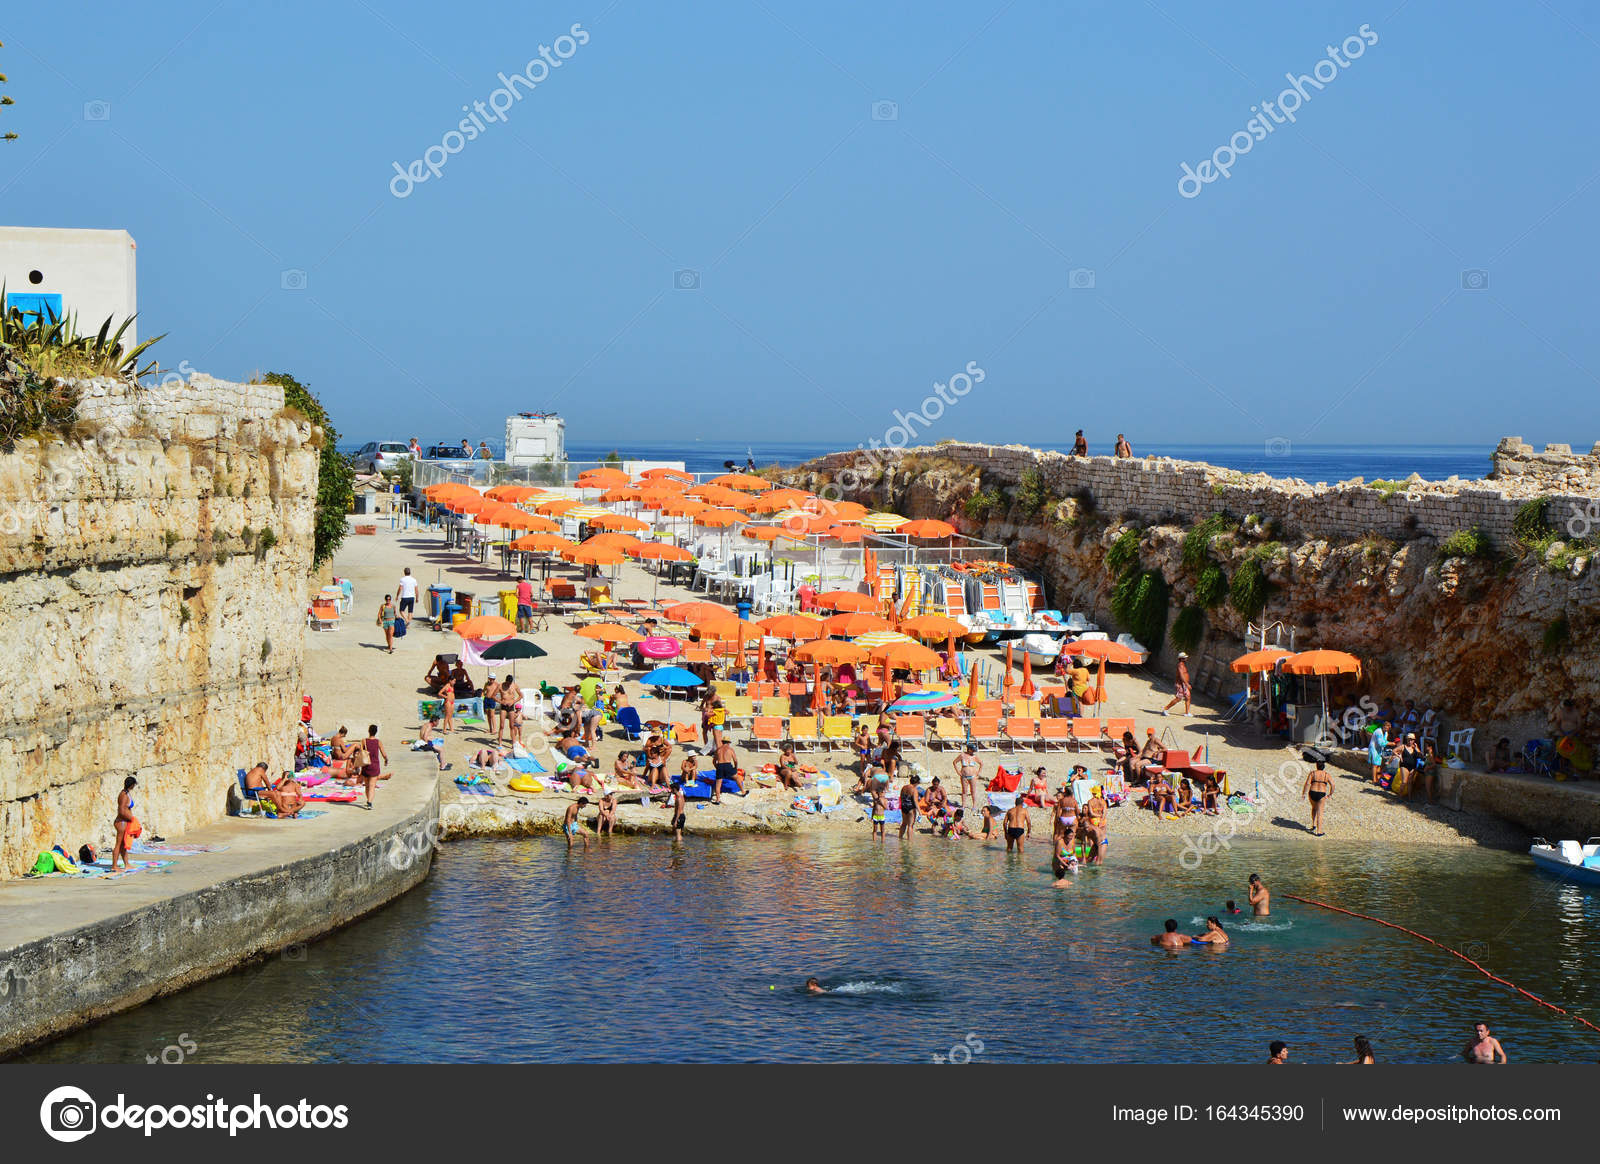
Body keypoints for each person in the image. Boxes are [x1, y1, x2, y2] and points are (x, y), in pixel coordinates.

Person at [112, 776, 139, 870]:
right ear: (131, 785)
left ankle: (126, 864)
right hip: (121, 822)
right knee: (118, 844)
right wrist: (131, 819)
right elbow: (122, 811)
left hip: (124, 821)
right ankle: (114, 866)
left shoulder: (126, 793)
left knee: (123, 845)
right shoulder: (123, 795)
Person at [1302, 759, 1334, 836]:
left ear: (1316, 766)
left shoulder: (1312, 773)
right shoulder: (1327, 774)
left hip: (1312, 792)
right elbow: (1333, 785)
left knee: (1314, 808)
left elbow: (1307, 784)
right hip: (1321, 793)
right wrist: (1330, 794)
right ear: (1324, 767)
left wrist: (1303, 793)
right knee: (1320, 812)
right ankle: (1319, 831)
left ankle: (1313, 825)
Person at [360, 725, 387, 809]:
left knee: (367, 786)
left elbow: (361, 753)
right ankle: (370, 802)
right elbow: (384, 754)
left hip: (366, 765)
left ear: (369, 731)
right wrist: (386, 760)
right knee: (372, 786)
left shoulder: (363, 741)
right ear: (376, 732)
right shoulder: (378, 742)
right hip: (375, 766)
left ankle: (368, 800)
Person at [712, 737, 744, 804]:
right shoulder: (730, 749)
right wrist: (735, 768)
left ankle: (718, 800)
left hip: (720, 765)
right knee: (737, 778)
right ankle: (743, 792)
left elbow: (714, 761)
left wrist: (717, 767)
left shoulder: (718, 749)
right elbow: (735, 760)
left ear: (722, 742)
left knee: (718, 784)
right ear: (729, 743)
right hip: (727, 765)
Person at [1161, 652, 1192, 716]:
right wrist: (1187, 684)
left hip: (1184, 684)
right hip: (1181, 684)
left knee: (1188, 697)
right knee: (1179, 698)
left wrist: (1186, 683)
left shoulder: (1182, 664)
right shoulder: (1180, 665)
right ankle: (1165, 709)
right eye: (1185, 657)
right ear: (1182, 658)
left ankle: (1187, 713)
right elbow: (1181, 675)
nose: (1186, 658)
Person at [481, 674, 503, 740]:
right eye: (491, 679)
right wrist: (482, 697)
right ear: (489, 678)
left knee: (492, 715)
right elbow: (483, 691)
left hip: (492, 700)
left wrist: (500, 699)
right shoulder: (486, 684)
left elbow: (501, 691)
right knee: (488, 715)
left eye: (493, 679)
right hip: (486, 699)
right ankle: (490, 729)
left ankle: (494, 729)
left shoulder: (496, 684)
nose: (492, 680)